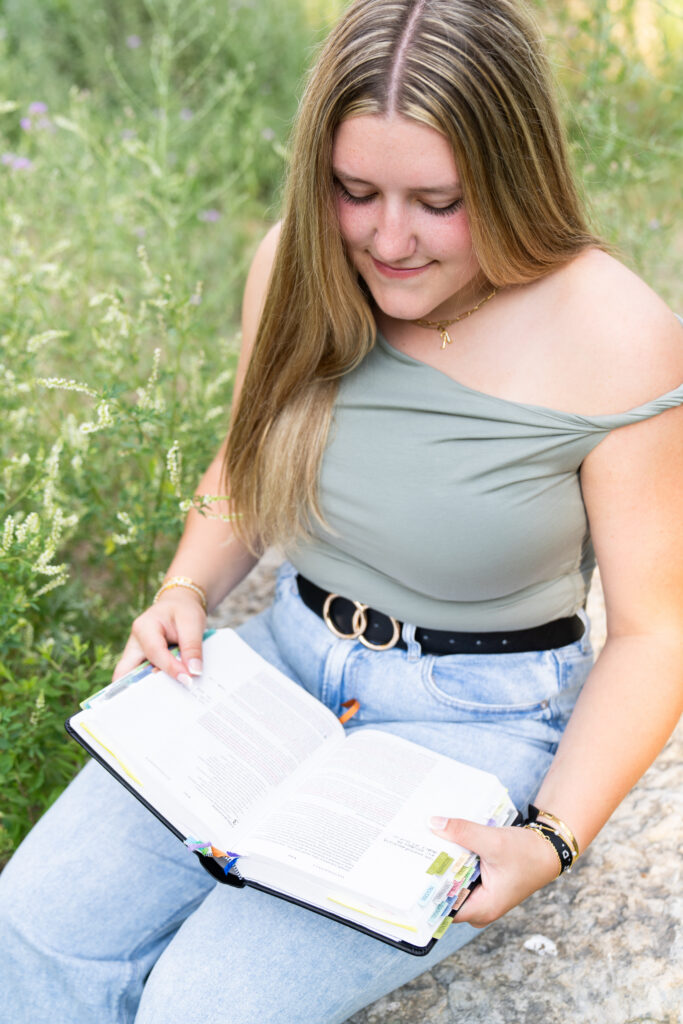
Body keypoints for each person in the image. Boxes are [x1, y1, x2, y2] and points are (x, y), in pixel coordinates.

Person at [1, 0, 682, 1020]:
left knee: (206, 1004)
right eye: (353, 190)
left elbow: (652, 630)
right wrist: (186, 585)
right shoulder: (297, 259)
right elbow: (245, 456)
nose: (387, 238)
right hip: (275, 668)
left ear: (510, 175)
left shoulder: (617, 335)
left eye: (436, 201)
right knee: (31, 922)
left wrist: (548, 839)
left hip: (478, 719)